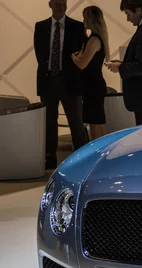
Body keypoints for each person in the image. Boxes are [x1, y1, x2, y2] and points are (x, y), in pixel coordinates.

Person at [34, 0, 89, 170]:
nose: (60, 6)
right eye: (57, 3)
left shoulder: (77, 27)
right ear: (50, 5)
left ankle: (82, 158)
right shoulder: (41, 26)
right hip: (48, 79)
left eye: (63, 3)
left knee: (76, 121)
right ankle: (50, 157)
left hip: (70, 80)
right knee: (49, 122)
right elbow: (39, 53)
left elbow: (83, 52)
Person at [71, 6, 109, 141]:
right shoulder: (97, 39)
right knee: (96, 122)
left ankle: (98, 153)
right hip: (93, 85)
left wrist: (74, 57)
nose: (83, 21)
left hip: (92, 86)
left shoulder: (94, 40)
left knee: (95, 123)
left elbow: (82, 64)